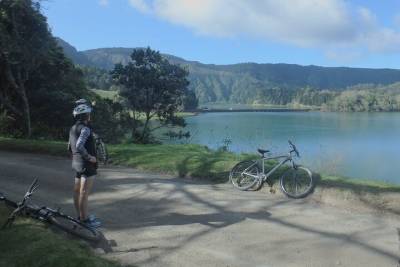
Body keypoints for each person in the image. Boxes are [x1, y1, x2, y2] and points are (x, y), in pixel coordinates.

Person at [68, 100, 100, 228]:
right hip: (87, 165)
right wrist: (90, 157)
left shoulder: (73, 128)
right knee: (84, 193)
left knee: (77, 192)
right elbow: (79, 145)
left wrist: (75, 157)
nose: (90, 116)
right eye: (89, 114)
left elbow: (70, 146)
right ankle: (85, 220)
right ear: (86, 115)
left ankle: (80, 216)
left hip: (77, 164)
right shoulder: (85, 129)